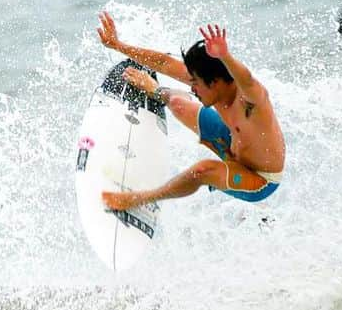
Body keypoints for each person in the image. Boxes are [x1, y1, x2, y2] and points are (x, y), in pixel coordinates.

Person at [96, 12, 285, 210]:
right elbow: (165, 63)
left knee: (202, 171)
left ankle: (137, 200)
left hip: (259, 178)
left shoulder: (251, 103)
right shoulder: (211, 83)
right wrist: (118, 45)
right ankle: (155, 90)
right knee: (177, 103)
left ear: (216, 82)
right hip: (232, 145)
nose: (192, 88)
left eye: (195, 83)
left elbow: (247, 80)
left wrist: (225, 56)